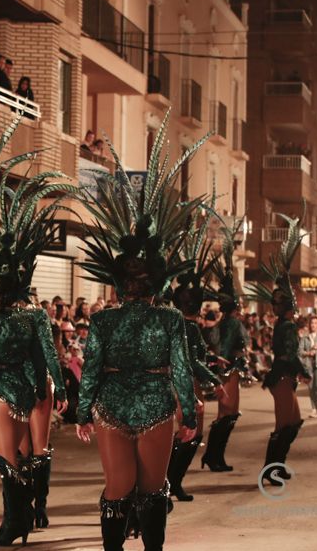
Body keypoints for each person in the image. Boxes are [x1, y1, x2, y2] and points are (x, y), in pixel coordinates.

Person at [74, 116, 201, 551]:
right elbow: (181, 370)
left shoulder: (106, 320)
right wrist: (192, 415)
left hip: (116, 404)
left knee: (120, 489)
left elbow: (91, 368)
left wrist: (82, 409)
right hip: (151, 405)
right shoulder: (168, 319)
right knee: (149, 489)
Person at [0, 145, 70, 546]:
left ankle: (15, 523)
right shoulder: (37, 315)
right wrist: (56, 389)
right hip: (37, 386)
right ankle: (36, 507)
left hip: (5, 390)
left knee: (8, 460)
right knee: (37, 450)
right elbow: (48, 355)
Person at [248, 213, 312, 487]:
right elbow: (287, 355)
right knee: (284, 426)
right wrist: (304, 371)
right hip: (283, 378)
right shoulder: (286, 326)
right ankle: (270, 471)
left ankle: (277, 467)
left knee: (293, 423)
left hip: (286, 378)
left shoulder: (286, 324)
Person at [167, 213, 226, 502]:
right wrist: (212, 378)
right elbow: (190, 361)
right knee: (188, 432)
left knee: (187, 433)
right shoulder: (187, 326)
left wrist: (213, 365)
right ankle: (169, 483)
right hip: (185, 383)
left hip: (187, 381)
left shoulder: (183, 324)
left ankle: (170, 483)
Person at [201, 233, 247, 474]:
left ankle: (214, 455)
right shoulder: (231, 323)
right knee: (228, 412)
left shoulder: (225, 323)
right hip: (228, 369)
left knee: (226, 413)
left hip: (226, 368)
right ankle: (213, 455)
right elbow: (224, 346)